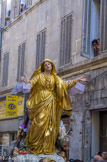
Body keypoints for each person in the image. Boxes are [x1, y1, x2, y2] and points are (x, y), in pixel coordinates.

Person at [23, 59, 87, 154]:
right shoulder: (39, 76)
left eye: (49, 64)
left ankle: (47, 148)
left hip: (52, 102)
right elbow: (31, 83)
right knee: (39, 124)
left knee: (50, 124)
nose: (48, 65)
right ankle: (35, 146)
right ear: (43, 67)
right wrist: (26, 81)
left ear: (52, 66)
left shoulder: (55, 78)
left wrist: (76, 80)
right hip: (40, 101)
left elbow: (65, 84)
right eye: (45, 64)